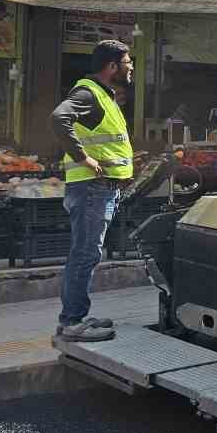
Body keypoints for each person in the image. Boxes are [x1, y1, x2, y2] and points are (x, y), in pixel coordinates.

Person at [49, 40, 136, 343]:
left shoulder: (104, 96)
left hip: (100, 187)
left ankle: (77, 315)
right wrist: (83, 158)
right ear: (112, 67)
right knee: (84, 254)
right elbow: (59, 118)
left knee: (87, 253)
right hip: (91, 188)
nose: (131, 68)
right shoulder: (87, 93)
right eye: (128, 63)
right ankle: (72, 321)